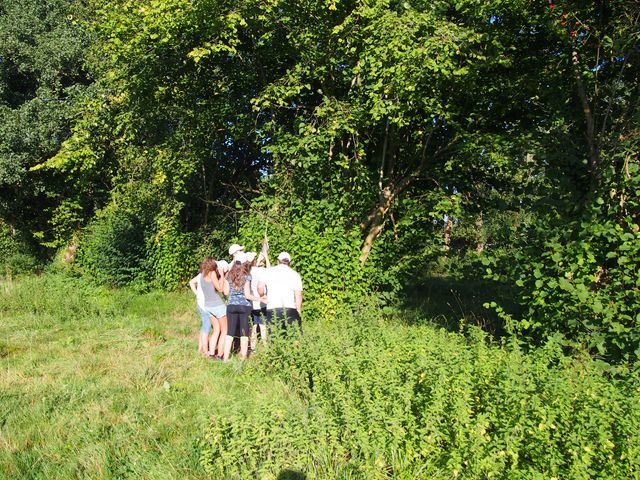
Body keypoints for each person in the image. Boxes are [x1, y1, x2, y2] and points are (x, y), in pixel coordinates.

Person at [223, 252, 264, 360]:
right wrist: (260, 299)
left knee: (229, 333)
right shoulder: (247, 276)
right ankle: (243, 358)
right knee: (244, 333)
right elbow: (247, 295)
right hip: (244, 306)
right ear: (244, 262)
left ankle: (226, 358)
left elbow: (226, 293)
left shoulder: (228, 275)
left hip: (231, 306)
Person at [188, 257, 227, 358]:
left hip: (207, 305)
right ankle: (220, 355)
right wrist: (222, 275)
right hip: (217, 305)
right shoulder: (212, 273)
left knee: (216, 330)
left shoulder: (202, 275)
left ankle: (211, 353)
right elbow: (220, 288)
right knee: (224, 331)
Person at [258, 251, 303, 333]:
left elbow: (260, 286)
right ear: (289, 263)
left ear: (278, 261)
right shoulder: (295, 274)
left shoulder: (269, 271)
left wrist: (262, 295)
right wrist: (298, 310)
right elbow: (298, 295)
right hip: (290, 308)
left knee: (274, 336)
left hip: (272, 308)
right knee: (293, 336)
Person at [247, 250, 270, 351]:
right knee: (263, 325)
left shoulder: (248, 272)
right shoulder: (262, 271)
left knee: (253, 325)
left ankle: (253, 347)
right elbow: (270, 270)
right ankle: (265, 347)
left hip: (252, 302)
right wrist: (266, 257)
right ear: (254, 261)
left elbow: (253, 267)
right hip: (262, 302)